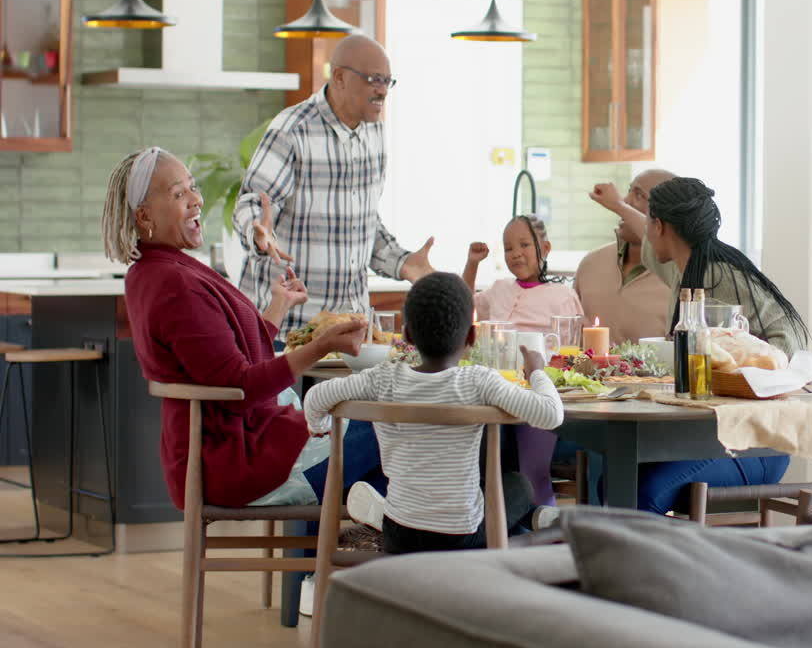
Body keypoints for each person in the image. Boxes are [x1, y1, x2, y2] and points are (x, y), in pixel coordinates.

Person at [102, 147, 385, 512]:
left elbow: (224, 364)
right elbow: (240, 385)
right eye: (178, 194)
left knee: (380, 476)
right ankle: (335, 563)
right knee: (392, 428)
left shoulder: (161, 271)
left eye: (192, 187)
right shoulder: (173, 284)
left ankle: (328, 565)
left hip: (245, 448)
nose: (196, 200)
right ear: (144, 216)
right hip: (241, 464)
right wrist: (322, 345)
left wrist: (278, 305)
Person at [588, 175, 812, 514]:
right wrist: (618, 206)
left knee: (641, 492)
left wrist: (739, 373)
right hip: (714, 437)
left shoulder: (720, 277)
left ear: (661, 226)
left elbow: (793, 343)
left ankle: (658, 565)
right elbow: (651, 248)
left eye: (649, 221)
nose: (644, 232)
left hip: (755, 444)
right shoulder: (685, 270)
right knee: (613, 478)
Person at [303, 272, 564, 554]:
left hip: (398, 532)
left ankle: (382, 512)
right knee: (518, 486)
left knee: (474, 489)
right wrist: (536, 370)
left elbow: (316, 396)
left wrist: (321, 425)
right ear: (472, 336)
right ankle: (537, 519)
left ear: (406, 335)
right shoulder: (478, 381)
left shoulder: (384, 378)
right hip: (460, 535)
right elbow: (550, 414)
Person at [233, 34, 435, 337]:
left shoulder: (374, 132)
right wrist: (257, 233)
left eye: (388, 82)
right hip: (286, 333)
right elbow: (253, 204)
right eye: (374, 80)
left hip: (348, 332)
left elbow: (361, 223)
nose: (382, 91)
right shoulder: (292, 130)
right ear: (338, 77)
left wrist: (404, 264)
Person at [462, 214, 583, 508]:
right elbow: (463, 307)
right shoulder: (500, 288)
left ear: (546, 248)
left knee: (533, 471)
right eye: (508, 248)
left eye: (524, 245)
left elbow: (572, 350)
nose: (515, 253)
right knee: (479, 464)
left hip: (537, 393)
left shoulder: (562, 295)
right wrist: (473, 264)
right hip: (494, 392)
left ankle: (545, 531)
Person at [574, 169, 676, 344]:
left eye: (638, 195)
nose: (625, 200)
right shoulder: (591, 263)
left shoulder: (678, 275)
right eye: (629, 191)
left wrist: (620, 207)